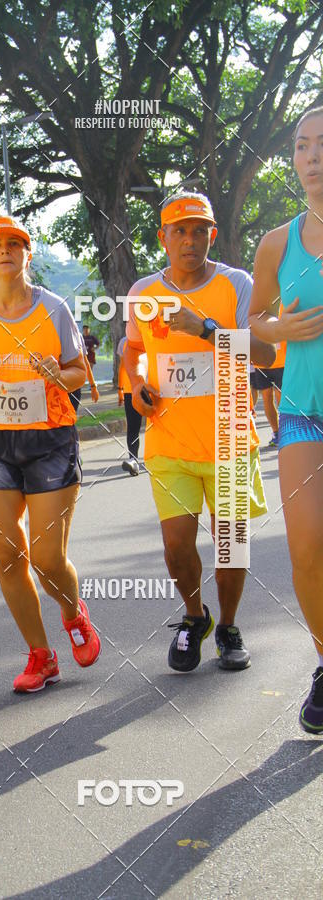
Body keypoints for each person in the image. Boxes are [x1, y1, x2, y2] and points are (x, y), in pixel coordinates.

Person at [124, 191, 275, 673]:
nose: (189, 240)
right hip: (169, 440)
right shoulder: (143, 293)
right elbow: (133, 350)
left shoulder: (237, 284)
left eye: (199, 230)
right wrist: (137, 384)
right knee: (176, 546)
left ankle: (227, 626)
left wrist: (206, 328)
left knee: (231, 544)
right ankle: (195, 617)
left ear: (212, 234)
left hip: (229, 437)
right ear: (163, 238)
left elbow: (266, 354)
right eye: (179, 231)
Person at [0, 215, 101, 692]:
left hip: (50, 440)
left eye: (14, 243)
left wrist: (59, 373)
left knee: (47, 559)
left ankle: (73, 612)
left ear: (27, 254)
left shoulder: (53, 309)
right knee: (7, 555)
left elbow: (79, 373)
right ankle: (41, 656)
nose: (5, 251)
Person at [248, 106, 323, 733]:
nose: (312, 156)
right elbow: (253, 327)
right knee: (306, 547)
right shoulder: (277, 242)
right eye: (301, 145)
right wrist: (279, 329)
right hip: (304, 414)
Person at [251, 338, 285, 447]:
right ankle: (276, 433)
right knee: (266, 397)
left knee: (280, 397)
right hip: (261, 363)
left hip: (281, 361)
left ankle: (284, 431)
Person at [117, 334, 143, 476]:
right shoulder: (124, 342)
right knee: (133, 427)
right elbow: (122, 367)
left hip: (153, 388)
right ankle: (133, 460)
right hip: (130, 390)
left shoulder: (152, 337)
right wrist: (120, 389)